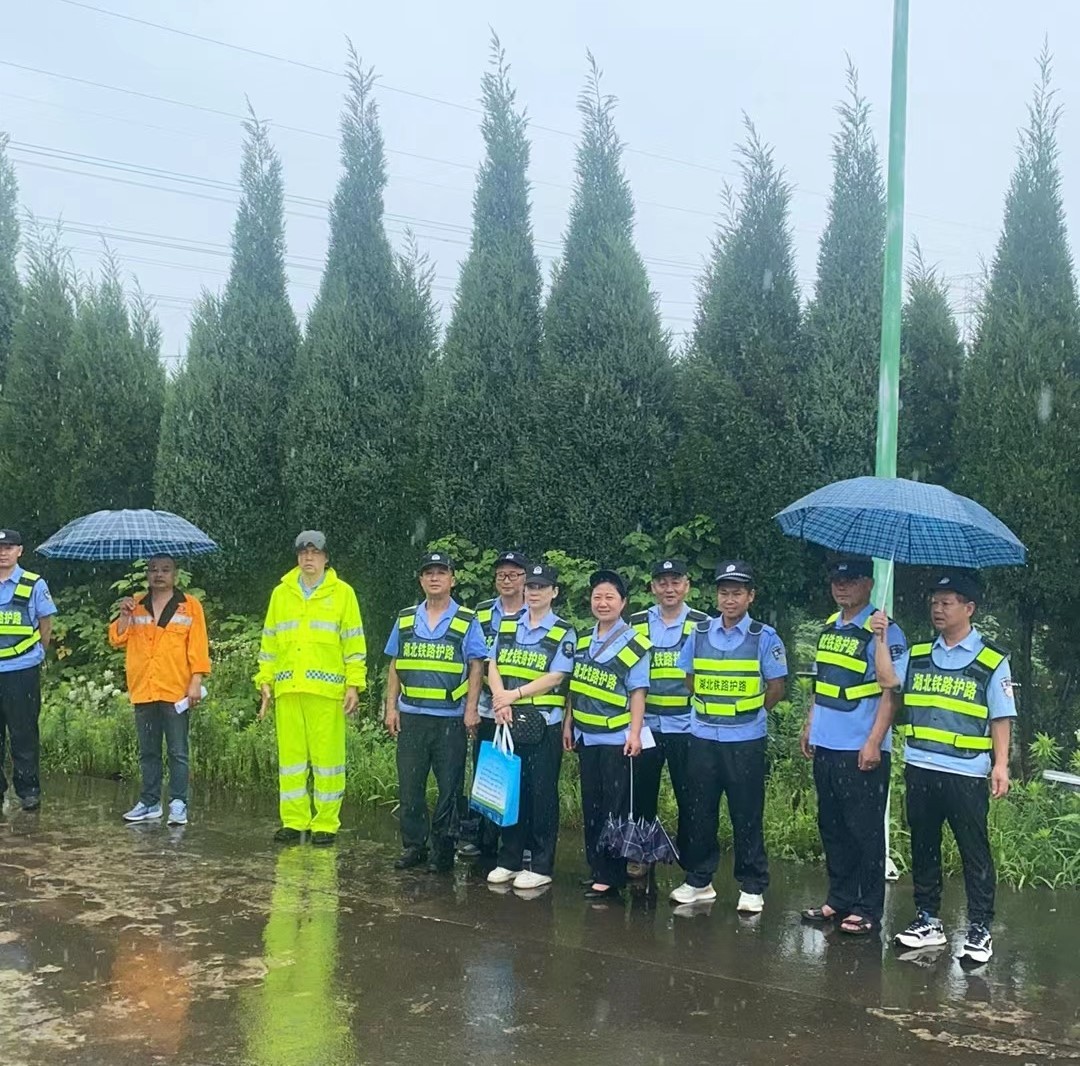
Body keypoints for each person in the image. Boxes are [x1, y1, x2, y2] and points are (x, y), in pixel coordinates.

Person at [879, 571, 1015, 964]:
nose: (938, 609)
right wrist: (879, 638)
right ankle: (927, 919)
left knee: (974, 852)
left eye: (947, 602)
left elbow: (1001, 717)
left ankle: (980, 927)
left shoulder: (991, 660)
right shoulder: (919, 654)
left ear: (969, 608)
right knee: (924, 846)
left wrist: (1001, 764)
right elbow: (889, 681)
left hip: (967, 771)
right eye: (935, 602)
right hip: (921, 765)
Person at [800, 556, 908, 936]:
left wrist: (874, 741)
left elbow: (889, 689)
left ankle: (867, 907)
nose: (841, 586)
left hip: (860, 745)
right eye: (835, 579)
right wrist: (810, 724)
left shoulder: (887, 630)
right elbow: (823, 681)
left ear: (868, 584)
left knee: (864, 830)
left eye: (850, 580)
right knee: (832, 826)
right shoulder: (831, 626)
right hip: (826, 741)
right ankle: (839, 897)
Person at [672, 561, 787, 912]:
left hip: (746, 739)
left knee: (746, 812)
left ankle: (752, 885)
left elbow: (776, 687)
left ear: (750, 597)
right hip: (703, 735)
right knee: (699, 811)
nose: (730, 599)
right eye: (724, 592)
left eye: (737, 593)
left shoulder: (764, 637)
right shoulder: (700, 633)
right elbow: (689, 677)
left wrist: (747, 714)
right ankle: (699, 879)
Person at [256, 531, 366, 847]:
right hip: (289, 689)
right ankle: (294, 821)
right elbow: (270, 641)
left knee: (327, 760)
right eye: (303, 552)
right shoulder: (281, 593)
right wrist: (265, 679)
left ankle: (325, 824)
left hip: (327, 692)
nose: (308, 558)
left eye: (314, 552)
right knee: (290, 760)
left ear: (325, 557)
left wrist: (354, 685)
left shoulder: (343, 593)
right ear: (297, 557)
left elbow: (354, 643)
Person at [384, 552, 487, 873]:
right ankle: (414, 846)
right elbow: (394, 665)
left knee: (450, 789)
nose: (434, 578)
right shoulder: (405, 618)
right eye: (428, 573)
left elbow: (476, 666)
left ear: (452, 580)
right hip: (411, 716)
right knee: (410, 786)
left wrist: (471, 709)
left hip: (450, 719)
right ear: (421, 580)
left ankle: (443, 850)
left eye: (441, 573)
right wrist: (390, 707)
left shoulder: (467, 620)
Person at [485, 562, 577, 892]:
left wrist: (515, 694)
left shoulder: (562, 631)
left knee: (541, 794)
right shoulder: (508, 625)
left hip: (543, 724)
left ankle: (540, 863)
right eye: (531, 586)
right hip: (508, 719)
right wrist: (500, 698)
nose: (535, 592)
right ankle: (509, 859)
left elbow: (557, 676)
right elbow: (491, 663)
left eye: (542, 587)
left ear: (554, 592)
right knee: (511, 791)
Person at [563, 569, 652, 901]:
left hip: (616, 738)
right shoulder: (583, 639)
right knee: (592, 806)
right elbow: (575, 687)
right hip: (587, 736)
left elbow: (638, 692)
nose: (602, 603)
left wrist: (635, 733)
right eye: (597, 597)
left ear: (623, 603)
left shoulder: (635, 642)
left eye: (609, 597)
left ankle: (611, 875)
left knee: (614, 809)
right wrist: (569, 722)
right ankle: (596, 867)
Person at [109, 555, 211, 825]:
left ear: (175, 574)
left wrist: (196, 680)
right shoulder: (136, 604)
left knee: (178, 750)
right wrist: (124, 615)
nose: (159, 575)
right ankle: (149, 802)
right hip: (144, 687)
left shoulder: (190, 606)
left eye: (165, 570)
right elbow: (117, 639)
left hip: (176, 687)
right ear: (147, 574)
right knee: (148, 751)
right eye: (153, 570)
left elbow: (198, 646)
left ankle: (178, 803)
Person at [628, 559, 709, 878]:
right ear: (652, 587)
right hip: (645, 725)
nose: (669, 588)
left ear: (687, 585)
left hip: (687, 725)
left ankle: (692, 862)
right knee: (641, 794)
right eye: (662, 582)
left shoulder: (703, 623)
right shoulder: (635, 622)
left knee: (691, 796)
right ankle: (641, 854)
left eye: (675, 582)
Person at [459, 549, 528, 860]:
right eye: (501, 574)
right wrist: (472, 708)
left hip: (527, 709)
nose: (507, 580)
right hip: (489, 707)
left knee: (522, 776)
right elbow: (476, 662)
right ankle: (483, 838)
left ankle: (520, 842)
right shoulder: (482, 613)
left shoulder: (536, 610)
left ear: (527, 580)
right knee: (487, 772)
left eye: (514, 574)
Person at [0, 529, 56, 812]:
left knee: (23, 733)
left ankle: (29, 790)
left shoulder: (33, 583)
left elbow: (45, 623)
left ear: (19, 551)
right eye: (0, 547)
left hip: (22, 669)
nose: (3, 552)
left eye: (9, 547)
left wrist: (39, 654)